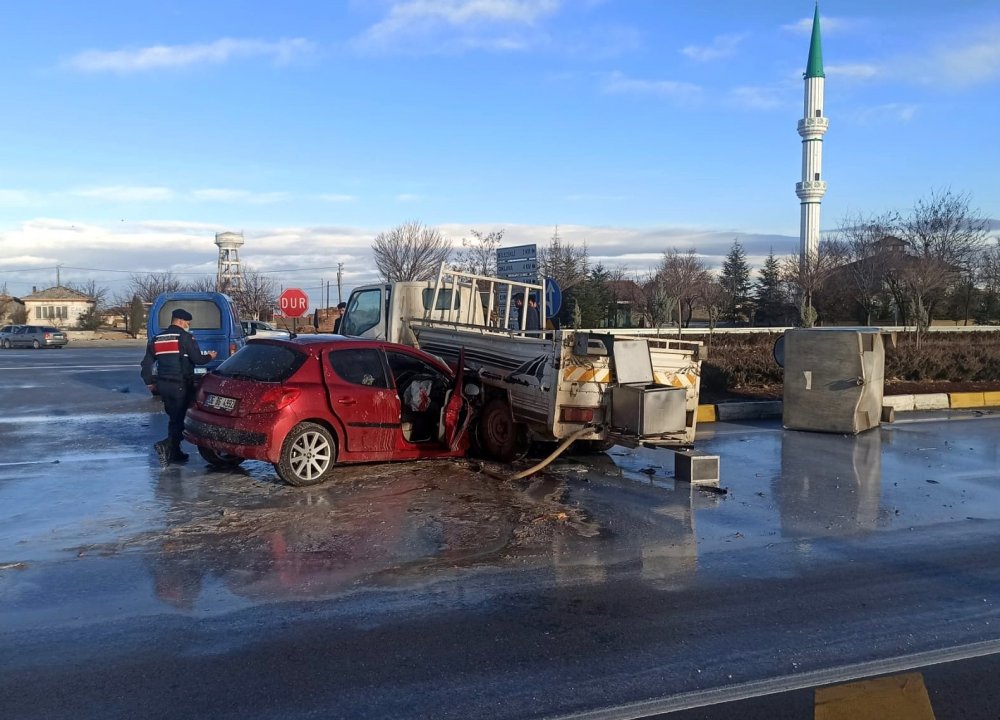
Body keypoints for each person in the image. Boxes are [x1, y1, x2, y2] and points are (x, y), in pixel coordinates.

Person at [140, 308, 217, 465]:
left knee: (174, 418)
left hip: (163, 386)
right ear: (181, 321)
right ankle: (166, 445)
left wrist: (150, 382)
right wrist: (210, 356)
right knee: (183, 419)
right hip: (180, 384)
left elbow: (146, 364)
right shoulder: (185, 338)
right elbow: (198, 359)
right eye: (188, 323)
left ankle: (175, 453)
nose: (188, 326)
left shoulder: (157, 339)